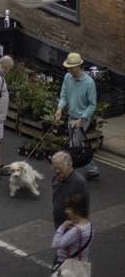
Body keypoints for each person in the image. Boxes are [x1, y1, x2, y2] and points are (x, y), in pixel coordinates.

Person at [55, 52, 100, 180]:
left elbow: (92, 105)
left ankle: (68, 175)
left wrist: (82, 119)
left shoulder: (89, 83)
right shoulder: (67, 78)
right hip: (71, 115)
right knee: (76, 147)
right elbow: (63, 96)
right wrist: (60, 108)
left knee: (73, 147)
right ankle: (92, 170)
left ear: (79, 66)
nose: (69, 69)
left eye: (71, 67)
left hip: (82, 119)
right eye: (68, 67)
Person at [51, 192, 93, 271]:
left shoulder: (76, 231)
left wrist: (62, 227)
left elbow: (56, 244)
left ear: (77, 211)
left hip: (66, 264)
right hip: (81, 262)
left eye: (69, 209)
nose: (65, 211)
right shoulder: (89, 225)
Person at [51, 151, 90, 229]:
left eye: (59, 167)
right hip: (59, 225)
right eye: (54, 168)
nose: (57, 171)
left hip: (72, 228)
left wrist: (79, 228)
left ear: (69, 164)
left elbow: (84, 209)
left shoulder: (79, 182)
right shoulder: (55, 178)